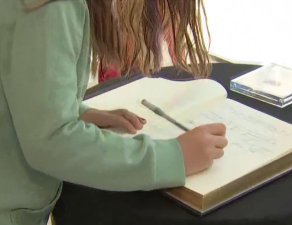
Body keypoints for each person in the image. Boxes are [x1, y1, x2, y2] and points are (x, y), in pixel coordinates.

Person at [0, 0, 228, 225]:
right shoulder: (55, 8)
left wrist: (73, 111)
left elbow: (17, 76)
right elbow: (52, 144)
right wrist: (174, 157)